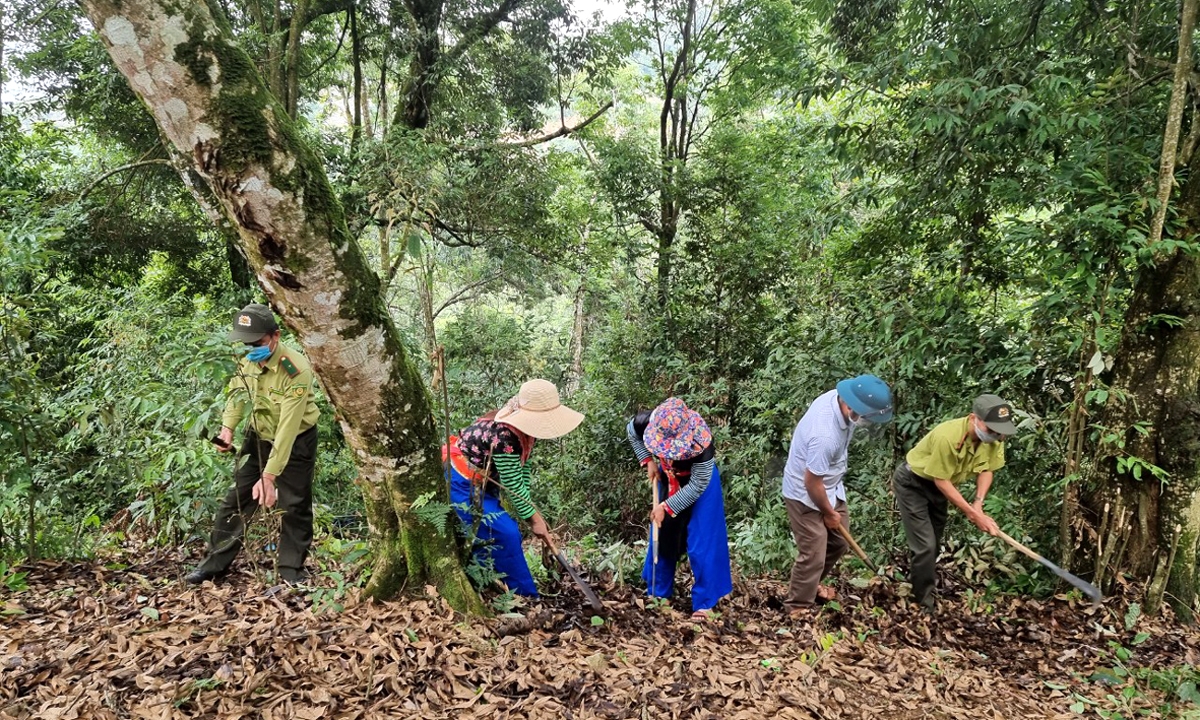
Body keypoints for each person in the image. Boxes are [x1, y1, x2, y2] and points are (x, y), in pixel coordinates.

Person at [186, 303, 320, 585]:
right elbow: (237, 394)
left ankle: (290, 571)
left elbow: (287, 428)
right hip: (257, 436)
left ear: (276, 336)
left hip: (295, 440)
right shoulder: (246, 359)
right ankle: (213, 565)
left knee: (293, 505)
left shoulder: (295, 370)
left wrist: (269, 476)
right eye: (245, 344)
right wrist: (227, 431)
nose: (250, 349)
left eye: (256, 343)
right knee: (236, 500)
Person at [444, 379, 583, 597]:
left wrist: (533, 512)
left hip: (484, 481)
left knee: (498, 532)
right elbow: (512, 484)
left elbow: (523, 473)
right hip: (460, 479)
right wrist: (534, 520)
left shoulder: (527, 433)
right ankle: (525, 596)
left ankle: (489, 586)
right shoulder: (505, 435)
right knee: (506, 533)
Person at [893, 393, 1018, 612]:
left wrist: (978, 504)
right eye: (991, 430)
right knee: (925, 546)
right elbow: (941, 480)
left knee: (934, 544)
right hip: (914, 483)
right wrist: (971, 513)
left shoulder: (996, 439)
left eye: (1000, 432)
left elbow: (987, 470)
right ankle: (924, 605)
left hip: (941, 488)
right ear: (973, 418)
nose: (997, 436)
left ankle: (920, 584)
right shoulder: (947, 436)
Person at [782, 374, 894, 617]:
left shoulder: (841, 400)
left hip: (830, 484)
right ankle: (797, 607)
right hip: (805, 493)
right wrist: (829, 513)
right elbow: (811, 482)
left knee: (839, 542)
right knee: (813, 553)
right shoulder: (825, 435)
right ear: (852, 407)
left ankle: (809, 586)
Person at [628, 397, 732, 620]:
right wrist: (648, 461)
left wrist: (666, 506)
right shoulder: (646, 421)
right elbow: (632, 432)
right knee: (663, 532)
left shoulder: (701, 442)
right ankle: (658, 594)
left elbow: (697, 485)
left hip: (699, 484)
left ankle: (705, 603)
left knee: (702, 541)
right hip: (669, 476)